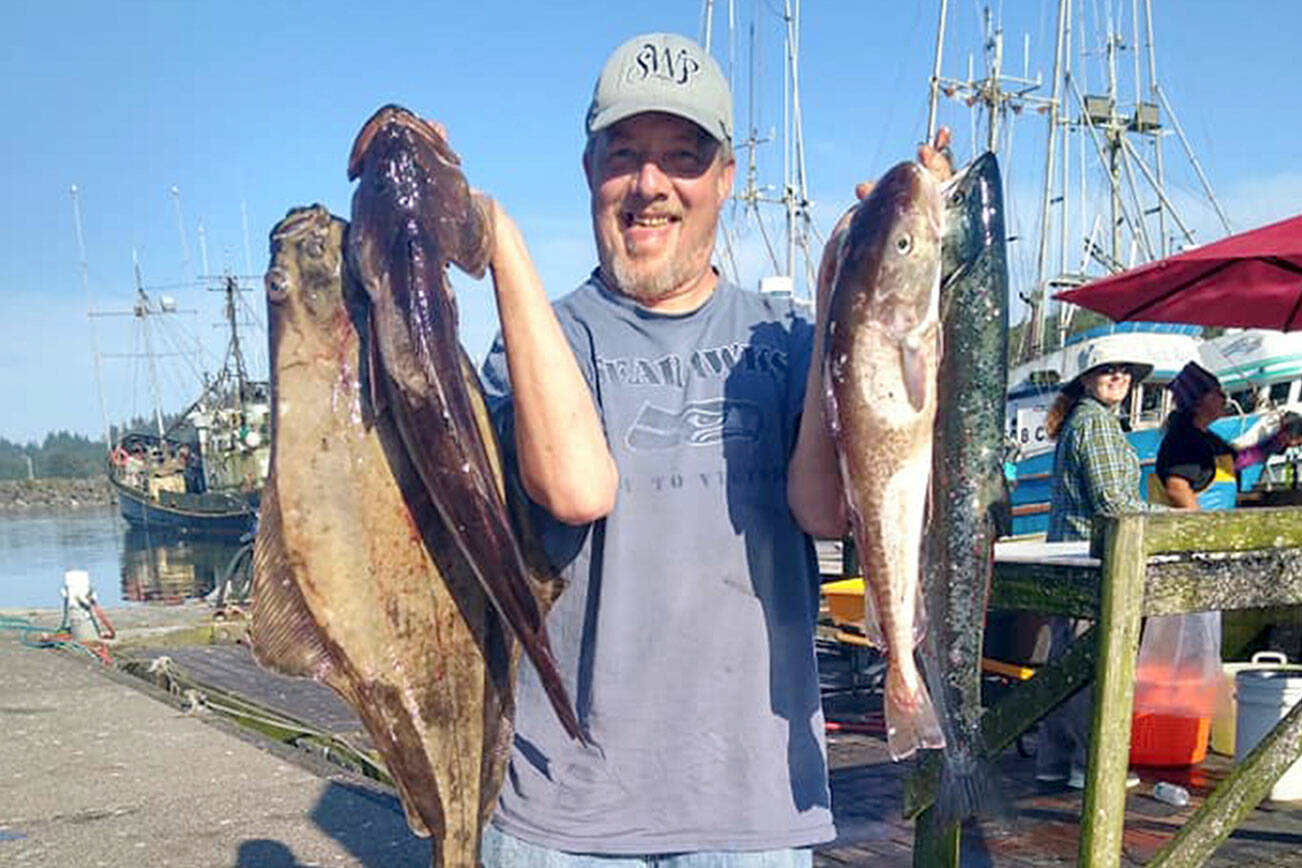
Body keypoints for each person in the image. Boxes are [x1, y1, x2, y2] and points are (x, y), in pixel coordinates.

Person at [477, 31, 950, 865]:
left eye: (682, 158)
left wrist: (856, 284)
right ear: (590, 170)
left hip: (755, 813)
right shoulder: (542, 338)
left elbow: (824, 506)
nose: (650, 185)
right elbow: (576, 487)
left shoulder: (788, 339)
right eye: (624, 155)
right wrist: (502, 246)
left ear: (726, 178)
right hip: (564, 818)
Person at [1036, 344, 1155, 790]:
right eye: (1109, 370)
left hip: (1067, 560)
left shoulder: (1077, 422)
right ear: (1087, 378)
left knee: (1064, 661)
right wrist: (1170, 520)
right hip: (1094, 563)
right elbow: (1115, 504)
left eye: (1126, 370)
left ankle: (1053, 761)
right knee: (1092, 667)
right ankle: (1092, 765)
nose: (1119, 376)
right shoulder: (1097, 426)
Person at [1154, 361, 1302, 509]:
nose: (1225, 397)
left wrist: (1276, 442)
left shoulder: (1209, 440)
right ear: (1198, 401)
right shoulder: (1184, 440)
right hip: (1195, 529)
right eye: (1217, 392)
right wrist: (1200, 526)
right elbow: (1177, 488)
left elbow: (1239, 461)